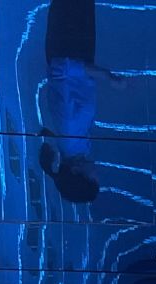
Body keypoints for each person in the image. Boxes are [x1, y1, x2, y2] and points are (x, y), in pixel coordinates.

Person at [38, 0, 102, 204]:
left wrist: (107, 76)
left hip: (68, 45)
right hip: (81, 53)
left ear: (76, 171)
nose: (98, 175)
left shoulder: (69, 133)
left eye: (94, 180)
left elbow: (58, 69)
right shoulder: (81, 147)